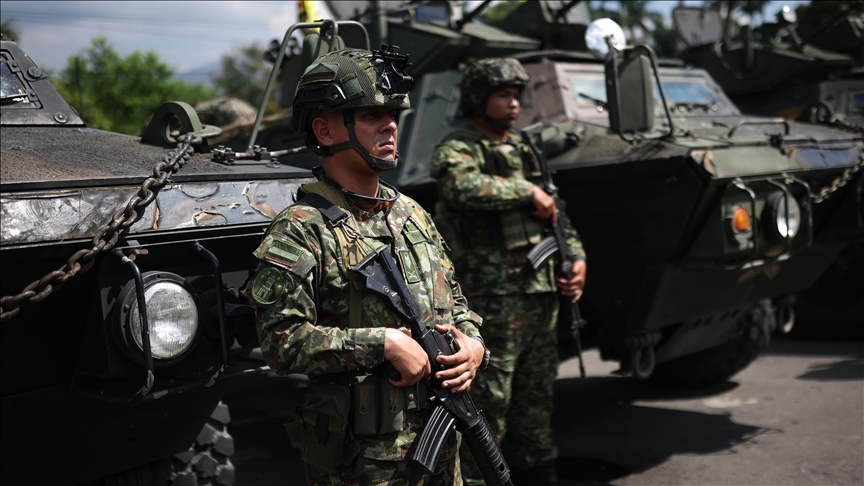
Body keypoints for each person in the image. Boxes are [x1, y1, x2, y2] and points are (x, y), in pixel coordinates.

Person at [246, 47, 487, 486]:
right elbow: (281, 342)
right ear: (325, 129)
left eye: (393, 113)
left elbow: (456, 302)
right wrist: (382, 345)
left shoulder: (412, 212)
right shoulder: (302, 228)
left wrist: (474, 344)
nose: (390, 124)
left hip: (442, 445)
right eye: (371, 114)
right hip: (364, 464)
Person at [430, 57, 587, 486]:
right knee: (490, 398)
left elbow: (556, 213)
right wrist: (525, 189)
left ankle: (539, 466)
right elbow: (459, 186)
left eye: (517, 95)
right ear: (480, 99)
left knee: (538, 391)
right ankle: (482, 478)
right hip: (494, 298)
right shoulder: (459, 147)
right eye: (503, 94)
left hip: (541, 291)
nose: (514, 103)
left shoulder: (524, 147)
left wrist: (576, 260)